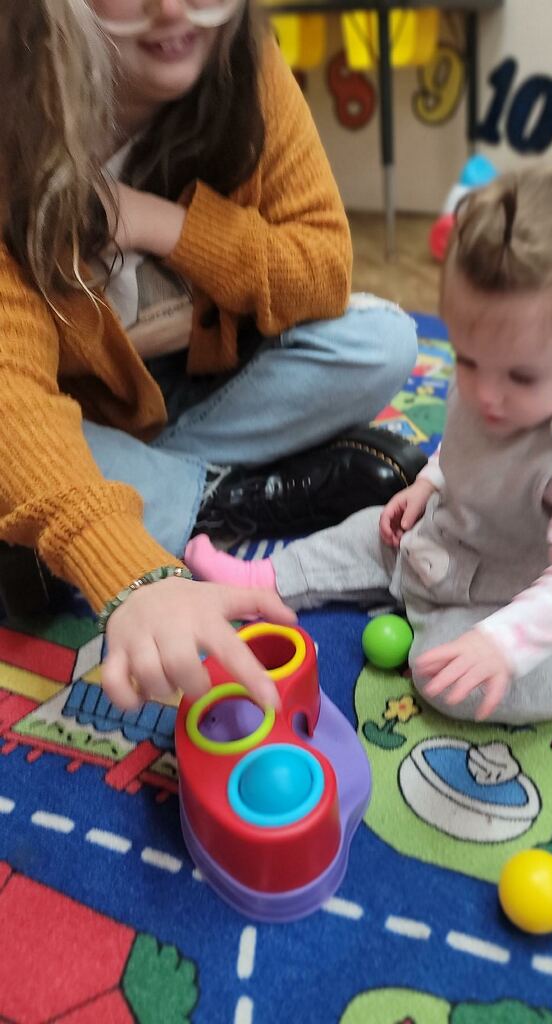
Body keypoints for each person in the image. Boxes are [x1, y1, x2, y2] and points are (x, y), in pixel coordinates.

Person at [0, 0, 424, 713]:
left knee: (383, 339)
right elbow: (13, 391)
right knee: (24, 449)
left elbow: (321, 268)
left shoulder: (243, 65)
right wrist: (131, 574)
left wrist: (161, 223)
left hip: (201, 383)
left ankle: (173, 492)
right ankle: (236, 496)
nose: (173, 9)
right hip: (79, 411)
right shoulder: (19, 117)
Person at [186, 167, 552, 724]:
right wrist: (431, 481)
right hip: (437, 535)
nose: (485, 393)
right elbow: (463, 445)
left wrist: (504, 642)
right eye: (467, 359)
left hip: (499, 602)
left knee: (449, 679)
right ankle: (267, 580)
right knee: (362, 532)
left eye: (521, 378)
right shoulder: (495, 373)